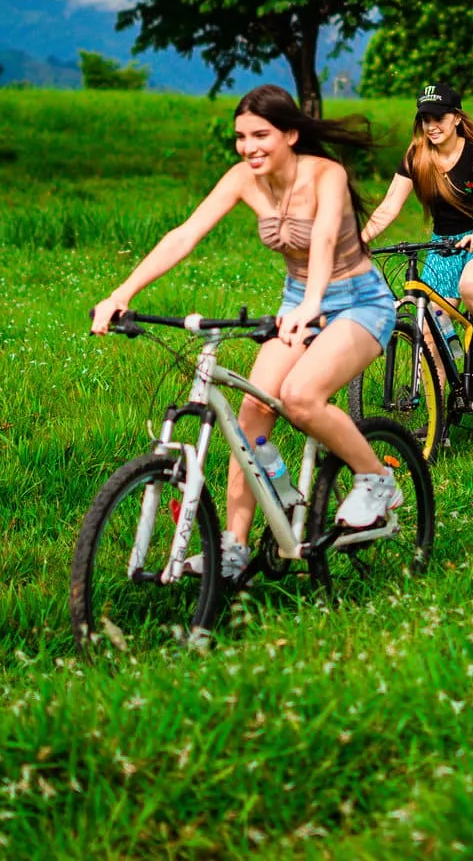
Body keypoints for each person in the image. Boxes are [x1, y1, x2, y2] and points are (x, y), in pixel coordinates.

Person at [89, 84, 400, 583]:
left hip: (358, 300)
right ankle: (234, 548)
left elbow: (323, 238)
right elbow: (185, 235)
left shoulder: (327, 174)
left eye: (261, 135)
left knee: (300, 397)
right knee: (252, 414)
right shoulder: (242, 178)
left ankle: (377, 480)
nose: (249, 147)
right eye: (241, 137)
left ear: (290, 134)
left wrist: (314, 303)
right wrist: (121, 293)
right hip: (298, 303)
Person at [361, 82, 473, 374]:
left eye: (439, 118)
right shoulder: (416, 158)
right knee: (430, 328)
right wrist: (359, 240)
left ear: (457, 119)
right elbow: (389, 205)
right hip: (444, 246)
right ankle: (440, 400)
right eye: (425, 119)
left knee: (472, 290)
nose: (431, 126)